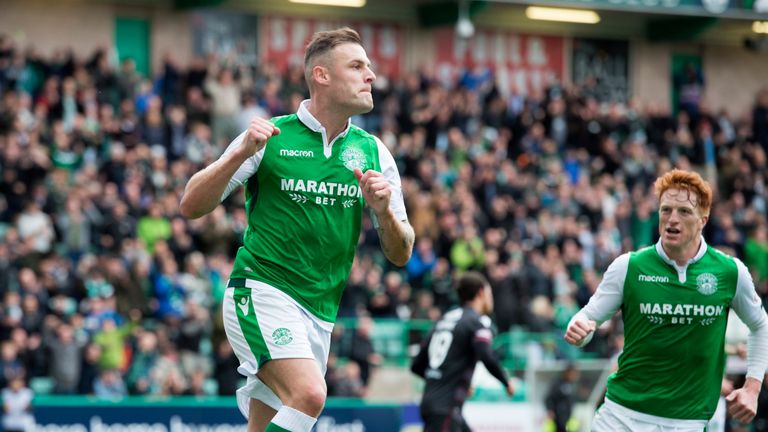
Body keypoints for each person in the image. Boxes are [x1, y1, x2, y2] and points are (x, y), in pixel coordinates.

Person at [179, 27, 414, 432]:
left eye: (369, 67)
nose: (370, 76)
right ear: (321, 76)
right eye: (357, 66)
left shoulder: (375, 152)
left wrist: (384, 213)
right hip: (261, 291)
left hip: (320, 312)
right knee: (309, 395)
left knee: (270, 422)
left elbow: (402, 252)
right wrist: (238, 154)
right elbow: (191, 205)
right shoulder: (271, 136)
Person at [565, 169, 768, 431]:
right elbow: (588, 317)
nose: (672, 219)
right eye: (666, 210)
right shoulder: (629, 266)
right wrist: (579, 329)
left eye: (684, 211)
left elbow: (760, 325)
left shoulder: (730, 272)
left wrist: (752, 387)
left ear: (703, 219)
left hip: (688, 422)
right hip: (621, 418)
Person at [411, 271, 514, 432]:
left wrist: (446, 378)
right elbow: (486, 356)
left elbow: (416, 365)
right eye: (489, 293)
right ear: (481, 292)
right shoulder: (475, 322)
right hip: (445, 408)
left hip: (433, 403)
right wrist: (506, 382)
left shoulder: (444, 319)